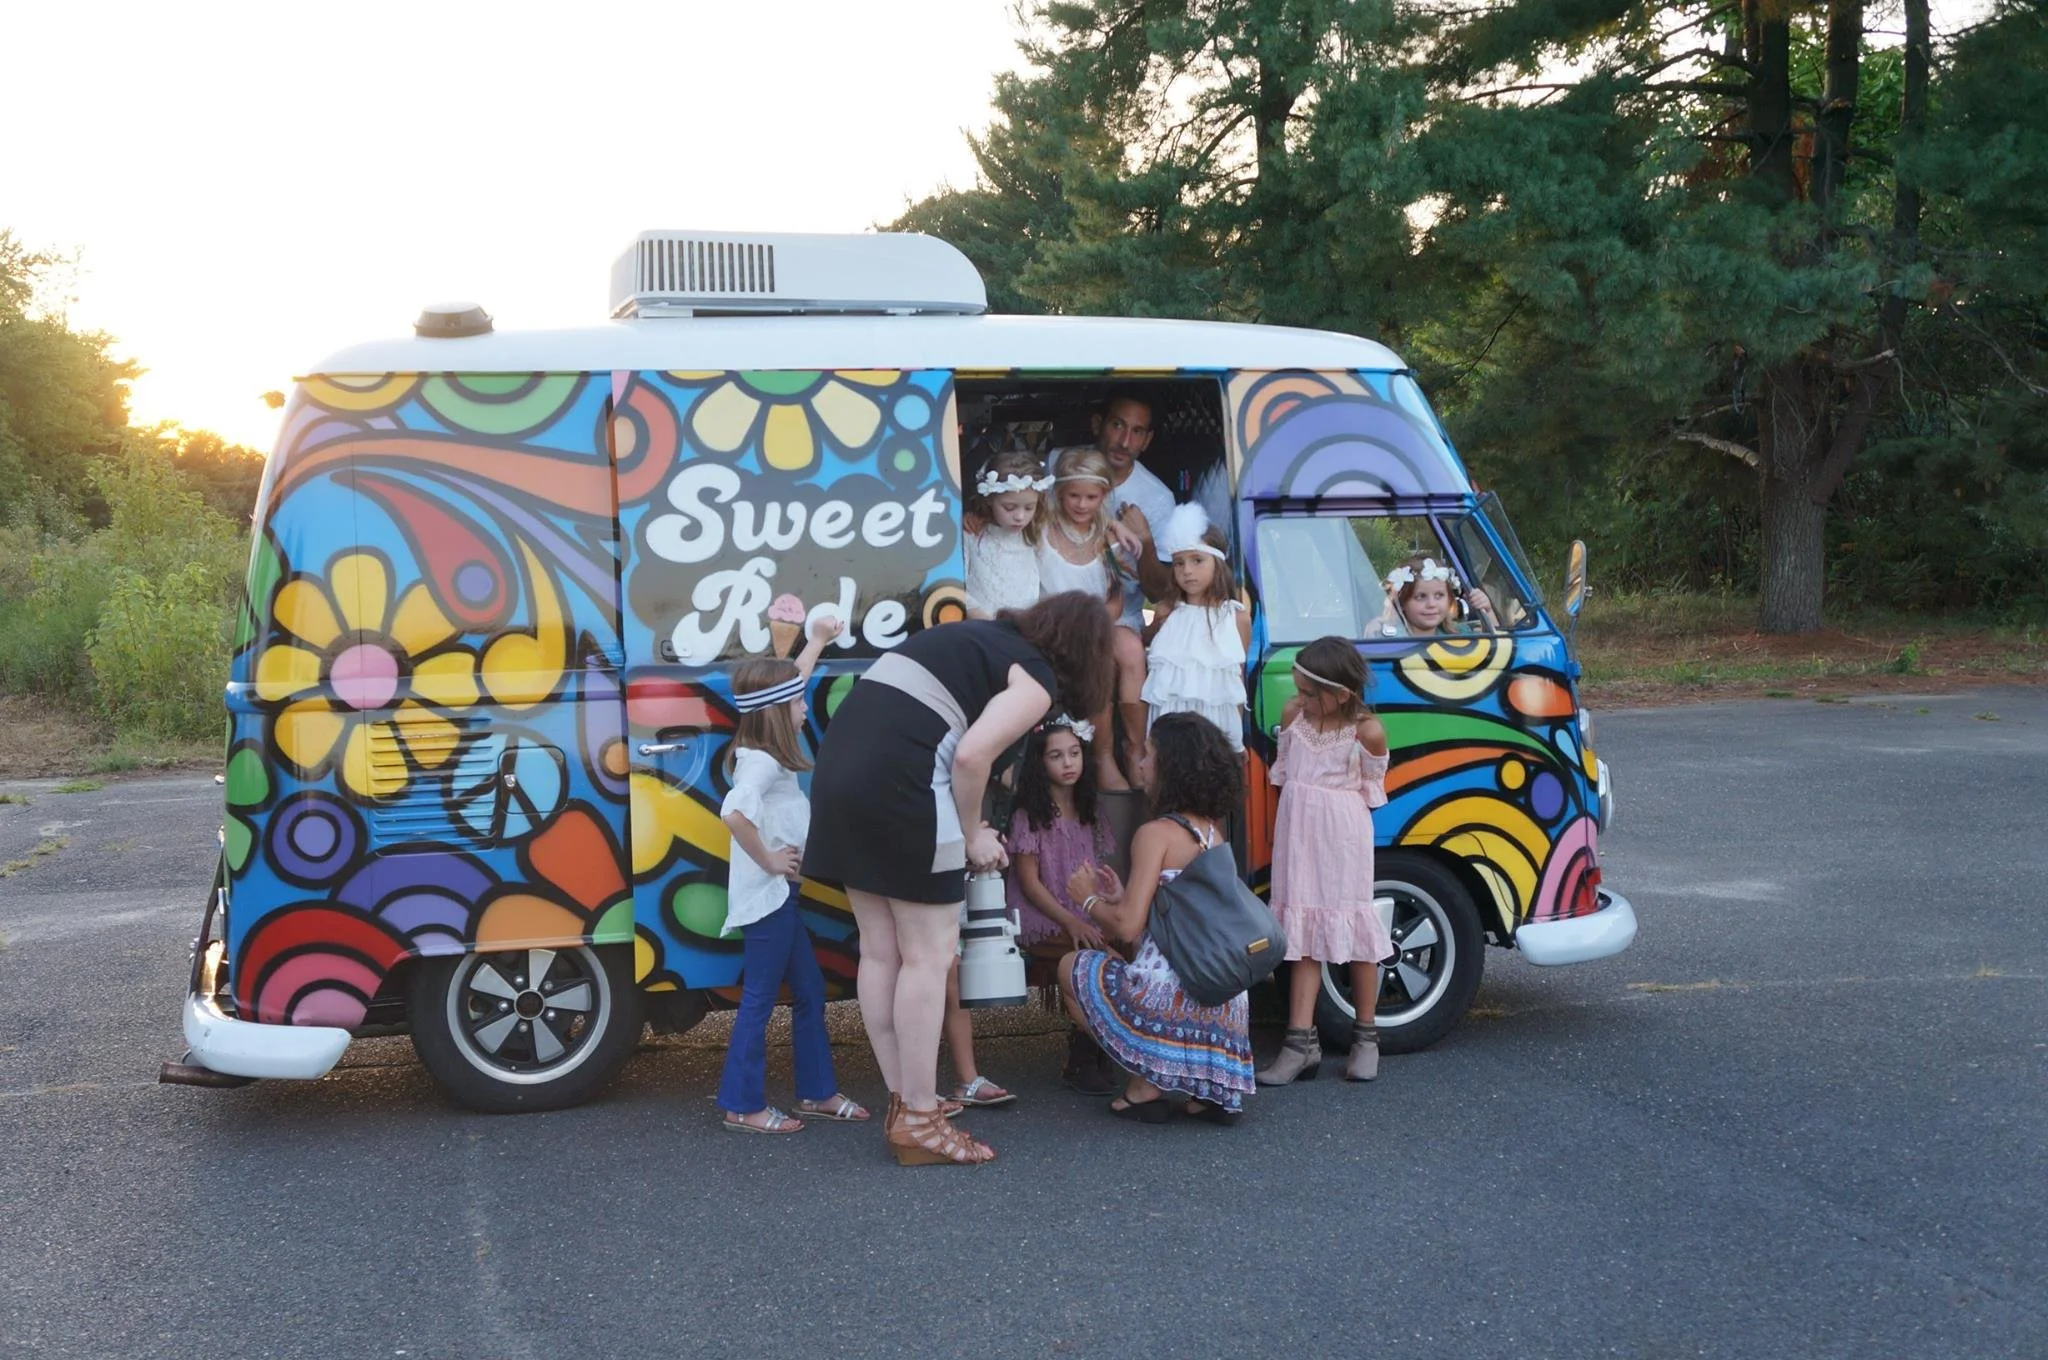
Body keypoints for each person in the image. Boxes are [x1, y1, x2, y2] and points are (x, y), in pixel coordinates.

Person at [805, 591, 1117, 1166]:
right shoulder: (1036, 677)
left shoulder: (977, 640)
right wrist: (973, 833)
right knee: (928, 954)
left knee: (881, 953)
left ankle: (907, 1106)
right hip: (903, 784)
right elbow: (973, 757)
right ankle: (921, 1118)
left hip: (838, 776)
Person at [1059, 712, 1256, 1124]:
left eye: (1148, 755)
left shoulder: (1154, 833)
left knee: (1071, 967)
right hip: (1224, 999)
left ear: (1172, 768)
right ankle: (1204, 1088)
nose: (1141, 763)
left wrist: (1089, 900)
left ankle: (1147, 1080)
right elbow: (1182, 916)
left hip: (1167, 1000)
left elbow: (1128, 928)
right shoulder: (1212, 832)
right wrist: (1123, 895)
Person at [715, 617, 870, 1134]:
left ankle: (817, 1092)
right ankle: (741, 1104)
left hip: (782, 894)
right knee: (759, 998)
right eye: (798, 703)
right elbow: (734, 813)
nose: (806, 706)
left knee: (808, 990)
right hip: (768, 897)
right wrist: (769, 861)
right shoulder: (759, 763)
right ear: (779, 713)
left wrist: (819, 640)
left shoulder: (768, 745)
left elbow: (790, 683)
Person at [1256, 637, 1392, 1086]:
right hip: (1298, 836)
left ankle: (1366, 1037)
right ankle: (1300, 1044)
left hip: (1342, 838)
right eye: (1299, 690)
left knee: (1355, 930)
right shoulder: (1294, 717)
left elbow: (1371, 790)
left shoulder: (1366, 731)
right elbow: (1284, 774)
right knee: (1303, 936)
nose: (1302, 700)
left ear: (1343, 693)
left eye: (1311, 693)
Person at [1001, 713, 1118, 1096]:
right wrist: (1071, 921)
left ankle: (1099, 1045)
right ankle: (1083, 1059)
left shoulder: (1089, 810)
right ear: (1040, 762)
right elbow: (1030, 883)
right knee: (1095, 954)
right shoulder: (1029, 815)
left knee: (1129, 944)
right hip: (1041, 914)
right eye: (1056, 756)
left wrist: (1106, 898)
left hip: (1084, 908)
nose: (1068, 763)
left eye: (1074, 753)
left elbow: (1096, 868)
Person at [1038, 446, 1145, 791]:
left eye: (1091, 497)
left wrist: (1097, 623)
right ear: (1058, 493)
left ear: (1104, 496)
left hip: (1097, 622)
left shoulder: (1106, 535)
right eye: (1074, 496)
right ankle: (1103, 757)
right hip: (1053, 626)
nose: (1082, 505)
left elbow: (1114, 598)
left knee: (1128, 647)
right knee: (1098, 656)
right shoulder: (1041, 528)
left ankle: (1135, 749)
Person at [1140, 503, 1251, 750]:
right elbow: (1145, 645)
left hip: (1215, 728)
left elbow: (1236, 680)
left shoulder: (1236, 617)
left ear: (1218, 563)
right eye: (1178, 563)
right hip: (1170, 725)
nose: (1187, 571)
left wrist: (1237, 743)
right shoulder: (1164, 611)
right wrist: (1156, 619)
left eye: (1197, 560)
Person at [963, 449, 1051, 619]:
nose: (1019, 517)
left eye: (1029, 508)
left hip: (1025, 630)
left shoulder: (1035, 533)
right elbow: (957, 589)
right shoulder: (971, 533)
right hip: (983, 629)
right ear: (989, 499)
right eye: (1009, 507)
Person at [1383, 554, 1499, 635]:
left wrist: (1487, 611)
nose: (1431, 604)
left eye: (1439, 595)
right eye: (1420, 597)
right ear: (1402, 602)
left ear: (1449, 599)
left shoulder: (1460, 635)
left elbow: (1498, 643)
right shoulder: (1390, 638)